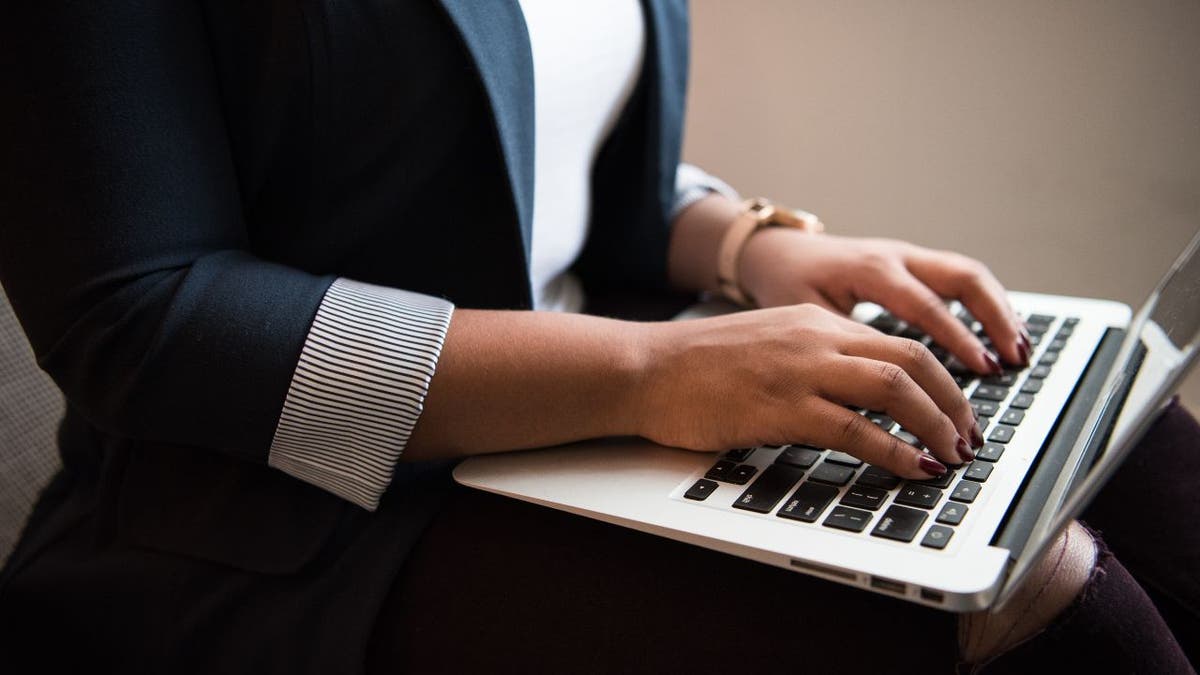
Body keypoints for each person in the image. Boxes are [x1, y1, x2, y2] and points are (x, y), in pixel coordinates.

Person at [0, 2, 1194, 673]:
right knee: (1030, 591)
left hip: (597, 417)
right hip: (278, 521)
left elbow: (524, 151)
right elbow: (138, 313)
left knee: (1119, 441)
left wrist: (753, 246)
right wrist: (652, 371)